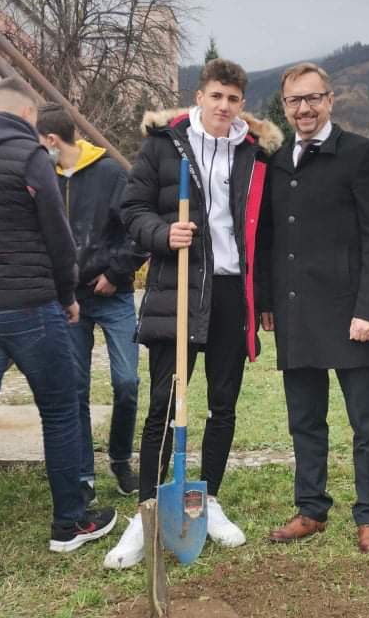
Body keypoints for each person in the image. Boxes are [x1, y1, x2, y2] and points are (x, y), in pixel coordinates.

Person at [102, 58, 282, 569]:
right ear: (199, 97)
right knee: (164, 403)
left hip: (230, 292)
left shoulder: (253, 153)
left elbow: (264, 232)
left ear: (242, 104)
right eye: (216, 96)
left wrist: (264, 297)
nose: (224, 106)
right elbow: (132, 209)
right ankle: (146, 511)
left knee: (223, 403)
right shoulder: (165, 145)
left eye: (233, 99)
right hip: (178, 287)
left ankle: (210, 498)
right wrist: (163, 234)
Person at [260, 62, 369, 554]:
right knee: (305, 420)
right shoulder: (277, 162)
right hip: (296, 311)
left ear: (330, 100)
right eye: (295, 100)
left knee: (367, 422)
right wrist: (267, 301)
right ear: (285, 106)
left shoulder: (360, 154)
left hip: (350, 312)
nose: (305, 108)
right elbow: (269, 238)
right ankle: (311, 509)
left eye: (313, 98)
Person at [0, 77, 116, 551]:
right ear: (26, 115)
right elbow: (58, 236)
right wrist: (67, 296)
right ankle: (70, 524)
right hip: (31, 307)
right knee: (60, 410)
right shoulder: (30, 156)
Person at [36, 105, 146, 506]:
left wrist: (115, 273)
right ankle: (83, 472)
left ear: (51, 139)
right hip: (69, 300)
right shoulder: (42, 177)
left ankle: (120, 459)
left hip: (113, 295)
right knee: (76, 387)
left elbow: (137, 230)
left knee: (127, 382)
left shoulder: (111, 173)